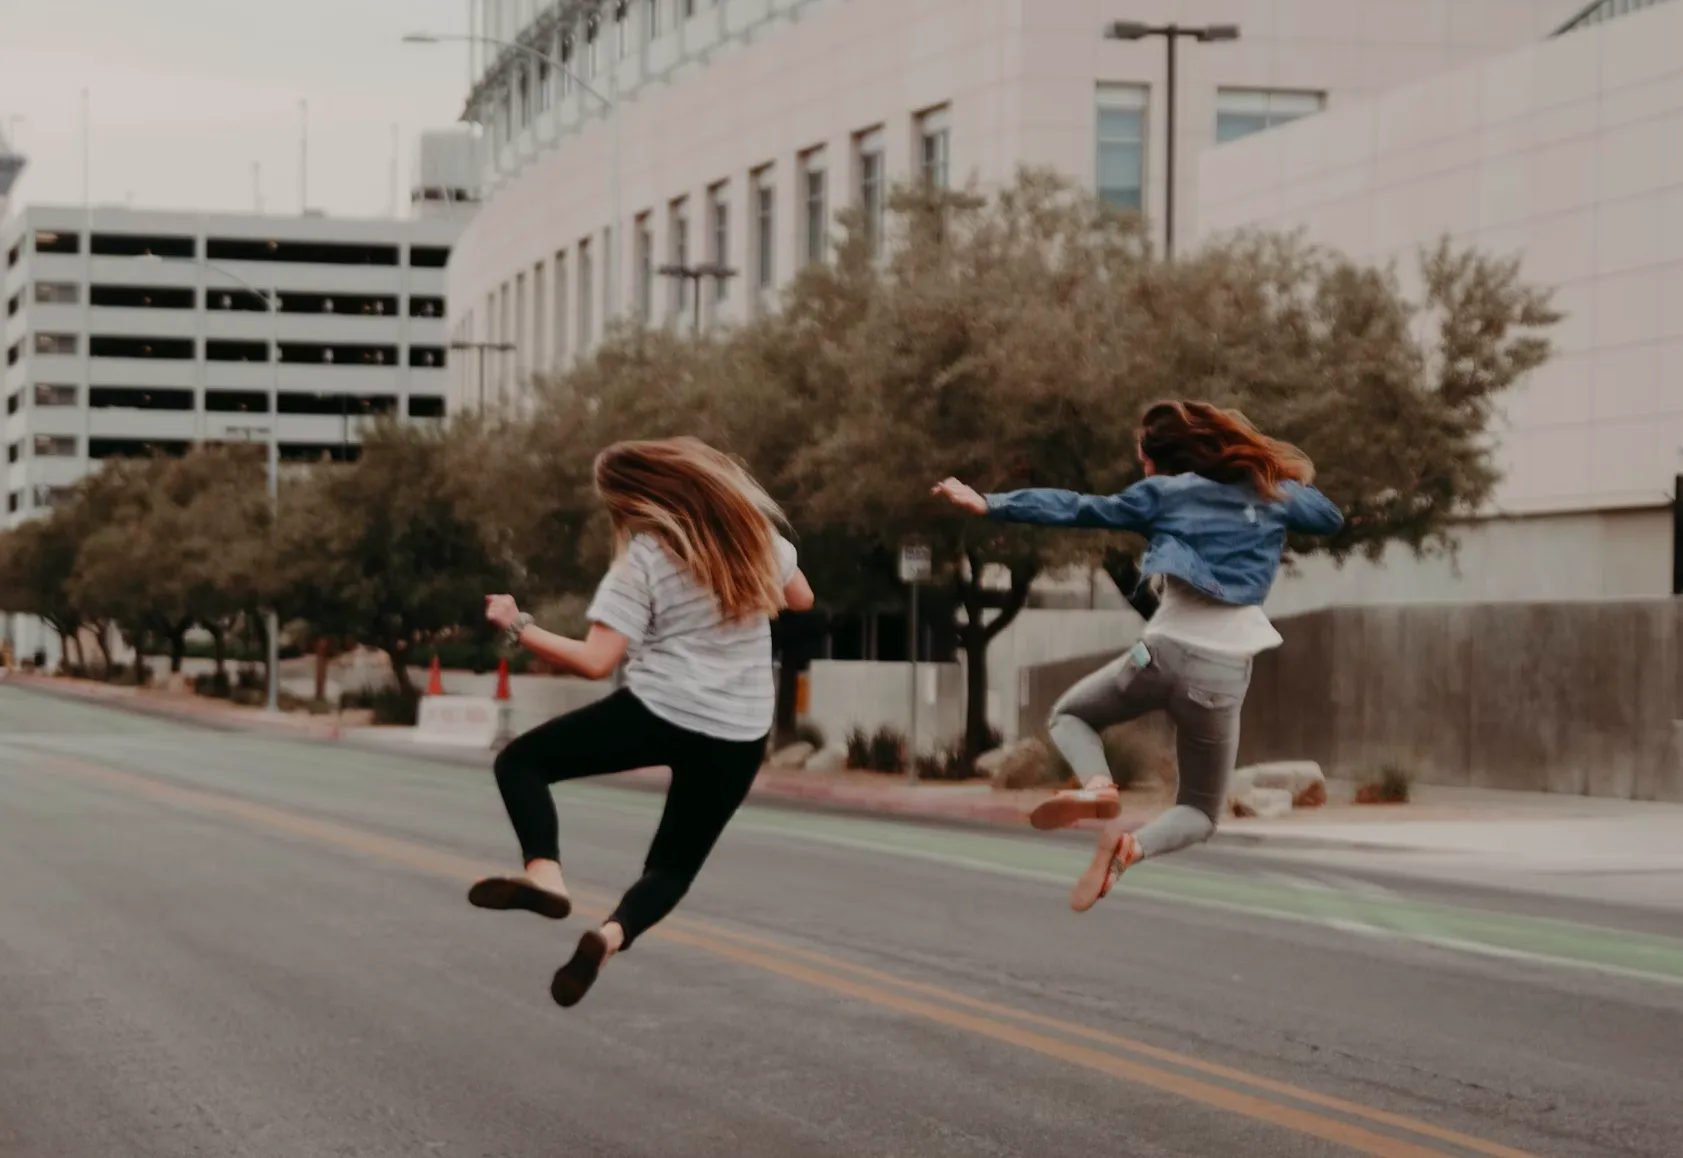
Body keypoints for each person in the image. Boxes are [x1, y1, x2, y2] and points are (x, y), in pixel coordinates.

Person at [933, 401, 1343, 912]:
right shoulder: (1270, 495)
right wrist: (1271, 476)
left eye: (1144, 459)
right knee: (1200, 813)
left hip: (1159, 656)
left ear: (1162, 461)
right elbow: (1329, 518)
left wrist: (991, 503)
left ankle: (1098, 786)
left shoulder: (1162, 494)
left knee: (1071, 716)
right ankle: (1130, 849)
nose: (1143, 468)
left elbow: (1077, 507)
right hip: (1221, 679)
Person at [477, 436, 815, 1007]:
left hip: (663, 710)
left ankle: (546, 875)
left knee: (521, 762)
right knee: (673, 865)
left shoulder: (647, 560)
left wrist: (517, 624)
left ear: (633, 501)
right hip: (739, 732)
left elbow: (595, 661)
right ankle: (610, 936)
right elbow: (801, 598)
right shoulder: (756, 537)